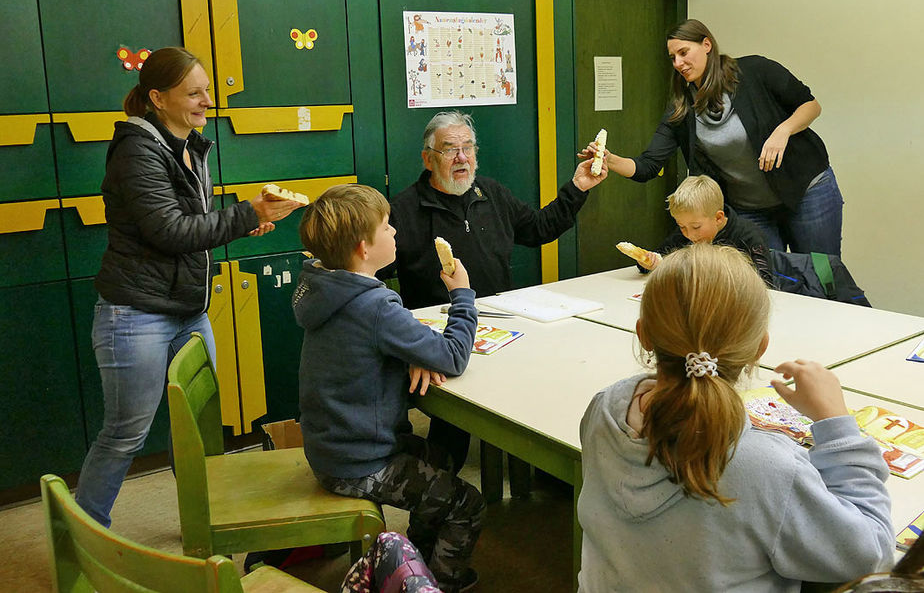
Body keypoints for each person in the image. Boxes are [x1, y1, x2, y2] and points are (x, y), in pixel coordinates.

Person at [577, 243, 893, 592]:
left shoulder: (605, 409)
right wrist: (837, 425)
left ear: (643, 335)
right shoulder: (768, 469)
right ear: (760, 347)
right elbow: (870, 553)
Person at [75, 47, 301, 527]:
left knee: (196, 428)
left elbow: (194, 224)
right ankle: (82, 536)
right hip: (135, 313)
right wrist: (246, 215)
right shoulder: (136, 150)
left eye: (206, 90)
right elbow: (169, 231)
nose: (206, 101)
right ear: (157, 97)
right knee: (124, 434)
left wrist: (246, 221)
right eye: (193, 93)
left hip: (188, 309)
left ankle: (204, 521)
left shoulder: (188, 143)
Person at [386, 109, 607, 472]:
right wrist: (412, 342)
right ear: (428, 159)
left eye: (467, 148)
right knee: (450, 437)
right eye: (449, 150)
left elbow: (538, 229)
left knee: (551, 383)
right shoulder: (404, 211)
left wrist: (578, 186)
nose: (461, 158)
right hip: (440, 340)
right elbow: (374, 282)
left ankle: (551, 472)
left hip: (503, 329)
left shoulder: (491, 193)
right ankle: (440, 497)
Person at [294, 184, 484, 593]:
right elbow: (453, 357)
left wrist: (409, 352)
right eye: (386, 226)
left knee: (442, 458)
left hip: (332, 445)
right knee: (468, 504)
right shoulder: (376, 306)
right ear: (364, 248)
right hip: (360, 460)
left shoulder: (327, 288)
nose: (395, 231)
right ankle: (444, 583)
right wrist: (462, 295)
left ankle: (414, 558)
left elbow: (371, 343)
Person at [580, 19, 843, 255]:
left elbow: (810, 105)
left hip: (807, 189)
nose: (678, 63)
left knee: (823, 276)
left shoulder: (754, 71)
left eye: (684, 53)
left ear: (706, 44)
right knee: (768, 283)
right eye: (672, 58)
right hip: (750, 210)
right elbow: (648, 165)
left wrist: (782, 130)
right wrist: (610, 160)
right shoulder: (681, 109)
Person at [637, 174, 773, 285]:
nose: (689, 235)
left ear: (718, 218)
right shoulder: (687, 232)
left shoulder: (748, 236)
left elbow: (765, 283)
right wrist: (649, 262)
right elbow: (661, 256)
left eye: (696, 227)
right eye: (682, 226)